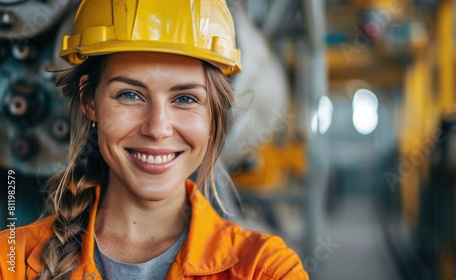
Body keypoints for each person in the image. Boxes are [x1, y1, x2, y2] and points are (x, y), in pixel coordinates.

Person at [0, 0, 309, 279]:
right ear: (89, 101)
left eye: (186, 98)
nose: (158, 128)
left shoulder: (265, 269)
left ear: (214, 113)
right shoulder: (10, 261)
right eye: (130, 95)